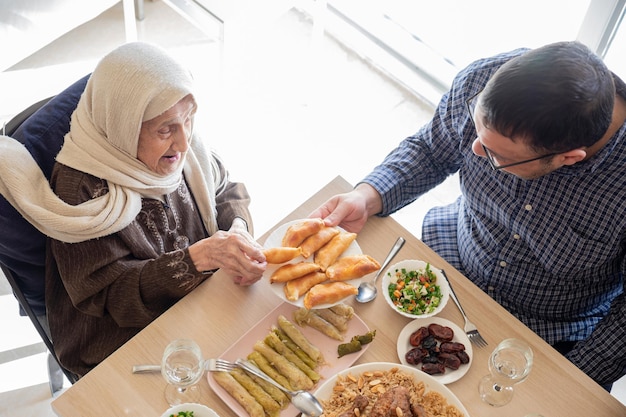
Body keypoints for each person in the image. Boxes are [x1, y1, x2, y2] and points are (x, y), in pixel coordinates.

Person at [310, 41, 626, 389]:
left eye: (495, 155)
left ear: (569, 158)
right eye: (478, 133)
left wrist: (572, 382)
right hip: (445, 264)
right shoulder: (486, 80)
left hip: (543, 329)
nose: (475, 150)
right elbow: (432, 150)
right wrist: (367, 197)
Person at [0, 42, 267, 378]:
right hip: (121, 339)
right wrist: (199, 258)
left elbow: (225, 190)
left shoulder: (180, 146)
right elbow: (112, 298)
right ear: (123, 127)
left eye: (188, 120)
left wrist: (237, 232)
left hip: (198, 298)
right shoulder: (80, 192)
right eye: (166, 129)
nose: (184, 143)